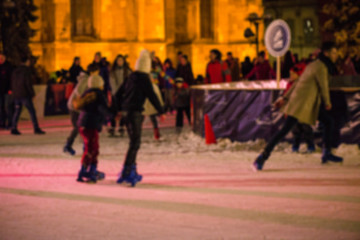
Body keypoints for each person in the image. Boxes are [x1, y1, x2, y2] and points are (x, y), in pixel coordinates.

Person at [253, 42, 343, 171]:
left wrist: (285, 98)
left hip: (304, 102)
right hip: (303, 103)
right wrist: (327, 102)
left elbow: (297, 82)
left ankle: (327, 153)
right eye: (334, 53)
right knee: (284, 130)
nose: (336, 55)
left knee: (328, 121)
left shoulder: (313, 64)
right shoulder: (322, 67)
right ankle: (262, 157)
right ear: (326, 53)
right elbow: (323, 86)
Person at [117, 49, 164, 187]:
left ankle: (131, 169)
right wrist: (161, 111)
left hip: (127, 112)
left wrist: (118, 109)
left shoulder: (130, 77)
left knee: (133, 142)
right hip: (135, 113)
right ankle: (127, 172)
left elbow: (118, 94)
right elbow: (151, 95)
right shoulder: (144, 78)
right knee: (135, 143)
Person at [76, 73, 109, 183]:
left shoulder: (86, 93)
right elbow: (103, 109)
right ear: (100, 84)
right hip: (91, 125)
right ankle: (88, 170)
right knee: (92, 149)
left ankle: (87, 169)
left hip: (83, 125)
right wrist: (110, 116)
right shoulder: (99, 95)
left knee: (90, 147)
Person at [63, 64, 98, 155]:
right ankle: (68, 146)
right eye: (97, 72)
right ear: (93, 72)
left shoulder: (89, 79)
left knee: (82, 126)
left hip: (79, 106)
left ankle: (84, 147)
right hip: (74, 106)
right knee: (78, 127)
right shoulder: (86, 79)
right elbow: (79, 91)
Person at [10, 56, 45, 135]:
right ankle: (36, 128)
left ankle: (13, 127)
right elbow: (28, 83)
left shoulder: (15, 71)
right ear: (26, 61)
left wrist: (14, 92)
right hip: (24, 94)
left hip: (16, 94)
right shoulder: (26, 71)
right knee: (32, 111)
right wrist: (32, 94)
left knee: (17, 111)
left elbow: (13, 82)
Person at [286, 63, 315, 153]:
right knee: (295, 129)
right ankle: (295, 146)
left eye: (292, 74)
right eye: (290, 74)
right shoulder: (289, 85)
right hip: (293, 111)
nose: (290, 76)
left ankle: (310, 145)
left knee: (306, 128)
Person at [108, 54, 131, 137]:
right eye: (118, 60)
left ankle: (121, 126)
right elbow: (112, 82)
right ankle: (112, 127)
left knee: (123, 112)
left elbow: (129, 82)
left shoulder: (127, 71)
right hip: (116, 94)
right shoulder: (113, 71)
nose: (120, 62)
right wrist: (116, 92)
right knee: (114, 111)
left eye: (121, 60)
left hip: (124, 94)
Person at [143, 74, 165, 140]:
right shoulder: (148, 86)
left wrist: (161, 106)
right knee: (154, 120)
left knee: (154, 120)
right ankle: (156, 134)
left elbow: (158, 97)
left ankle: (156, 134)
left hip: (152, 107)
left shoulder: (154, 86)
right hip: (149, 107)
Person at [0, 52, 13, 129]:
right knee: (0, 108)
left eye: (1, 58)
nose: (0, 60)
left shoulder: (8, 67)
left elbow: (11, 79)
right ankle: (2, 123)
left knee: (7, 107)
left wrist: (10, 89)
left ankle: (10, 123)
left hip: (7, 91)